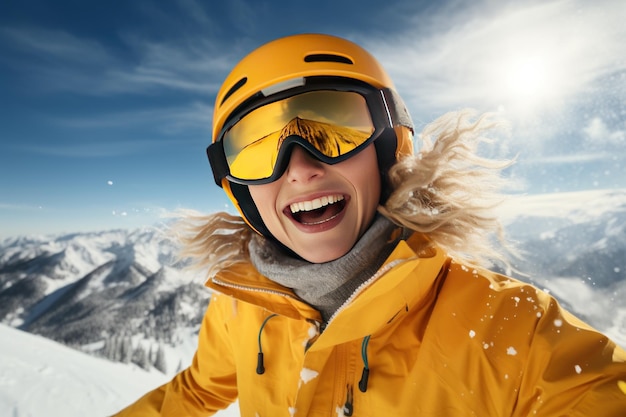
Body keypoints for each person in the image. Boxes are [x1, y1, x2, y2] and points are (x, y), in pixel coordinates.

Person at [113, 33, 626, 416]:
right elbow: (195, 392)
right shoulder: (240, 311)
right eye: (258, 149)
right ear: (237, 189)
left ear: (389, 148)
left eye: (333, 129)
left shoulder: (512, 329)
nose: (299, 167)